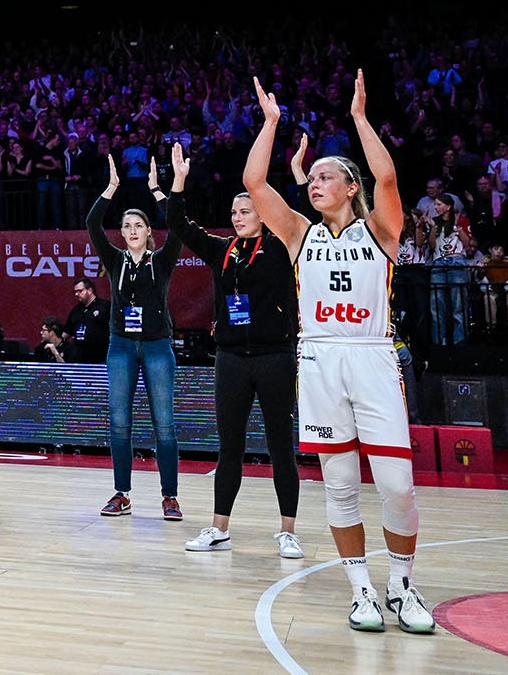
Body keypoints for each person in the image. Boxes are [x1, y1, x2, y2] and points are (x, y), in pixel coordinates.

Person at [245, 72, 435, 634]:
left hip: (373, 355)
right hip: (320, 359)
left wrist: (358, 118)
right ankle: (361, 592)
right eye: (313, 178)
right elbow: (255, 180)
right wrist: (272, 122)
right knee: (340, 483)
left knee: (397, 484)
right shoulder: (300, 234)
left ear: (351, 187)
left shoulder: (381, 231)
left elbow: (388, 174)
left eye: (327, 176)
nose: (315, 183)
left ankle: (402, 584)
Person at [158, 144, 303, 558]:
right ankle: (219, 527)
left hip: (275, 356)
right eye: (235, 213)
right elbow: (178, 225)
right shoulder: (223, 250)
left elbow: (295, 220)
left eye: (246, 211)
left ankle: (287, 530)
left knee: (280, 446)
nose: (238, 218)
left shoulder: (279, 247)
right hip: (231, 360)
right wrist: (179, 180)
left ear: (263, 214)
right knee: (230, 447)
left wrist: (294, 174)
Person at [88, 154, 185, 521]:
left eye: (138, 225)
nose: (131, 230)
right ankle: (122, 494)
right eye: (126, 225)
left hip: (158, 345)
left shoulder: (161, 260)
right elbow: (92, 222)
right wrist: (111, 189)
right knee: (119, 421)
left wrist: (158, 190)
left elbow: (178, 225)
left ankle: (170, 496)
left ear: (149, 232)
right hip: (122, 346)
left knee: (164, 422)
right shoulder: (115, 260)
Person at [66, 278, 111, 361]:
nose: (76, 294)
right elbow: (67, 332)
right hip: (80, 359)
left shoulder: (105, 307)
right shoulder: (76, 310)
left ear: (90, 290)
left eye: (80, 291)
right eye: (75, 292)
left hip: (101, 358)